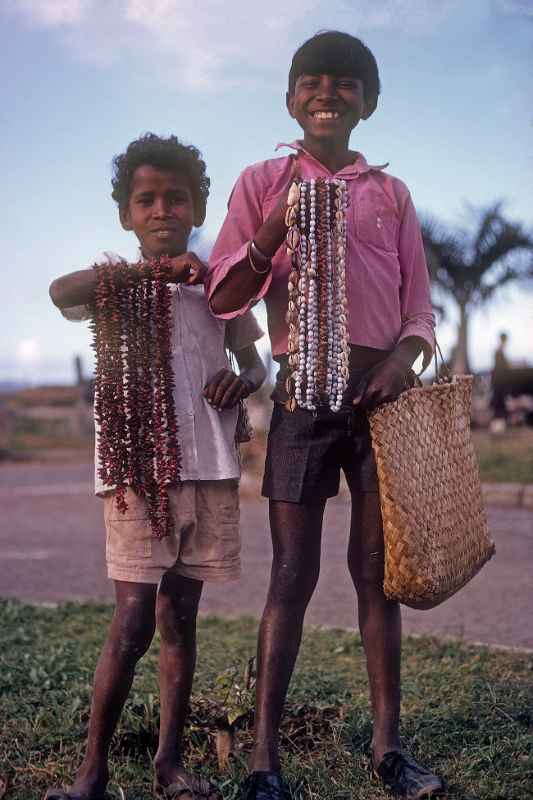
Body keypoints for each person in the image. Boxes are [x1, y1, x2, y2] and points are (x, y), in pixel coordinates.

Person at [207, 31, 444, 800]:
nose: (327, 95)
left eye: (345, 85)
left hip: (379, 397)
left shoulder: (390, 193)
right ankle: (262, 762)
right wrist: (270, 233)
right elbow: (220, 296)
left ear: (367, 102)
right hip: (302, 394)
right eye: (312, 82)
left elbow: (418, 307)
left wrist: (402, 362)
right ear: (289, 100)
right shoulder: (262, 181)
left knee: (375, 578)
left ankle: (388, 749)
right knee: (290, 574)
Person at [45, 133, 266, 800]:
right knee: (133, 620)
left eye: (176, 198)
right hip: (138, 474)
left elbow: (254, 358)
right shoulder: (112, 283)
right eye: (146, 200)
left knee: (179, 620)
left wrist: (245, 380)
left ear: (197, 208)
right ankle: (92, 774)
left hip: (208, 467)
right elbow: (61, 290)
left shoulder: (219, 287)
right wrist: (144, 274)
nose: (162, 209)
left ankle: (169, 765)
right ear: (126, 216)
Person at [491, 332, 510, 425]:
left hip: (499, 380)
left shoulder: (500, 351)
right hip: (499, 381)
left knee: (499, 400)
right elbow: (500, 367)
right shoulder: (499, 352)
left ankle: (500, 421)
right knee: (499, 400)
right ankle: (499, 422)